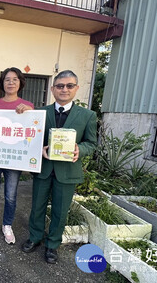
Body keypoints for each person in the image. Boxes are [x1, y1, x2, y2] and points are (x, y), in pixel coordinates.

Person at [21, 70, 97, 264]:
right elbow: (29, 138)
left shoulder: (87, 115)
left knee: (60, 211)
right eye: (60, 86)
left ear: (76, 89)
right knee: (37, 207)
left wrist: (81, 149)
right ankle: (35, 237)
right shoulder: (40, 113)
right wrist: (40, 149)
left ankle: (53, 245)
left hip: (68, 172)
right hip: (44, 169)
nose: (64, 89)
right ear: (53, 89)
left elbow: (92, 143)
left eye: (69, 86)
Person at [0, 67, 34, 244]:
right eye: (7, 79)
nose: (10, 83)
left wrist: (29, 112)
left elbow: (32, 130)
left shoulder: (28, 106)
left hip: (14, 158)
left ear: (20, 83)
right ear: (1, 83)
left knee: (11, 194)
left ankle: (7, 224)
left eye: (14, 79)